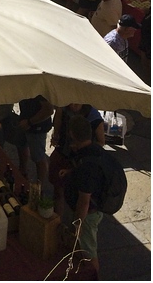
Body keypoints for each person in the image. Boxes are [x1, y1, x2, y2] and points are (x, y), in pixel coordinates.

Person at [61, 115, 111, 276]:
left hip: (88, 216)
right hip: (92, 210)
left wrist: (77, 227)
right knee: (84, 248)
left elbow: (84, 202)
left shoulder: (86, 167)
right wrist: (70, 172)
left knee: (89, 253)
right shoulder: (94, 150)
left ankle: (93, 277)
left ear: (73, 137)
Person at [49, 104, 105, 215]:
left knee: (79, 195)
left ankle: (75, 219)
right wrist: (56, 135)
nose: (74, 105)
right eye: (72, 101)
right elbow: (57, 125)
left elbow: (101, 142)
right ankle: (57, 219)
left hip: (79, 161)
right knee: (58, 190)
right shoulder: (64, 108)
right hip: (62, 154)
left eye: (77, 102)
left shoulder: (93, 116)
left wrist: (83, 146)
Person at [18, 95, 54, 186]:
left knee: (38, 157)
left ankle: (39, 186)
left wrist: (29, 122)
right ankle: (22, 172)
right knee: (22, 145)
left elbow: (49, 110)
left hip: (37, 128)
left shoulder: (38, 87)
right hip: (25, 122)